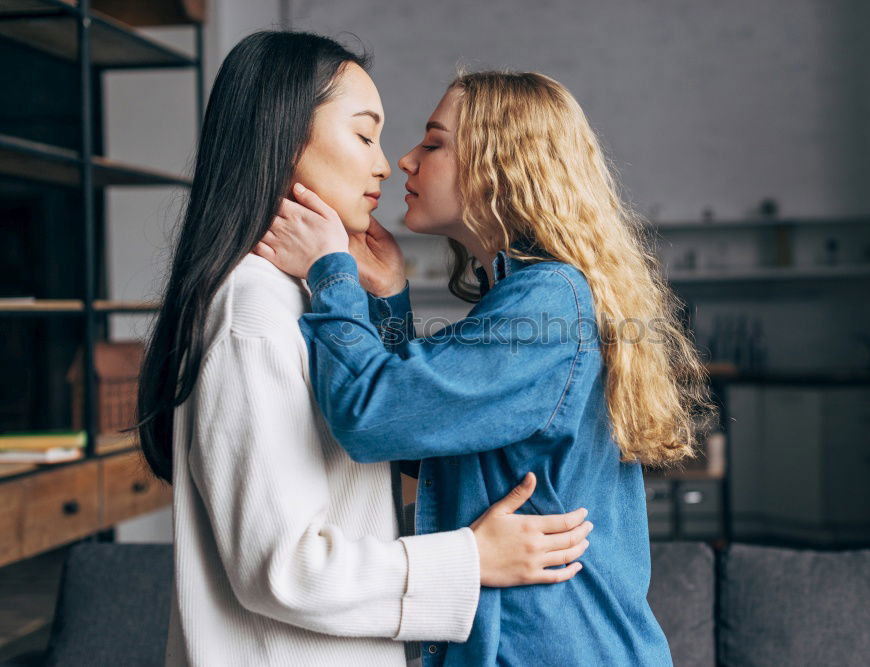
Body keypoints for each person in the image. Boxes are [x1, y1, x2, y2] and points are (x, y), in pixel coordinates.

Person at [136, 34, 591, 667]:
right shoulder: (255, 308)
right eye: (364, 135)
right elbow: (284, 567)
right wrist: (470, 558)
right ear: (287, 136)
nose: (387, 163)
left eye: (424, 143)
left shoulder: (307, 298)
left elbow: (400, 415)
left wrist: (380, 302)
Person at [256, 70, 716, 665]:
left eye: (434, 142)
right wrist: (388, 296)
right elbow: (419, 435)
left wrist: (330, 273)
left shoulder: (548, 300)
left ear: (499, 164)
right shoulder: (537, 296)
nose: (404, 161)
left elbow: (372, 417)